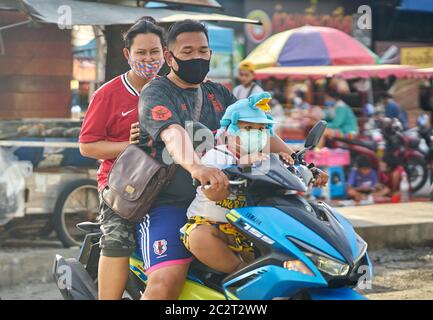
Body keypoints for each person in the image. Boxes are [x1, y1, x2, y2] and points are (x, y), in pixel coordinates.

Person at [135, 20, 329, 300]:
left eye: (203, 50)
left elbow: (257, 130)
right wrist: (197, 167)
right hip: (170, 201)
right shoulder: (157, 92)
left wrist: (296, 161)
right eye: (187, 51)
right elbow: (173, 134)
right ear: (169, 57)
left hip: (235, 199)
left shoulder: (219, 93)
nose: (197, 57)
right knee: (166, 283)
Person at [78, 17, 165, 300]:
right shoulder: (107, 94)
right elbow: (87, 147)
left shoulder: (173, 90)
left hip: (169, 180)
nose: (148, 58)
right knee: (117, 239)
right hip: (121, 183)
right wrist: (128, 145)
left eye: (155, 52)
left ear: (166, 53)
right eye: (141, 53)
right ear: (127, 54)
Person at [181, 92, 294, 274]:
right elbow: (213, 193)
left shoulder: (265, 158)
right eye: (248, 129)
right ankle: (241, 272)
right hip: (210, 224)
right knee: (198, 237)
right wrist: (243, 165)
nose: (256, 134)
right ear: (231, 132)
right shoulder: (217, 155)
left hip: (248, 229)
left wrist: (286, 164)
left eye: (261, 129)